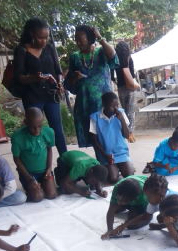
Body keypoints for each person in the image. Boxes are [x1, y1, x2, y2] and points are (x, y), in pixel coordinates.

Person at [14, 17, 67, 154]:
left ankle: (65, 159)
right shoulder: (21, 50)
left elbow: (58, 71)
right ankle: (37, 161)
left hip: (51, 95)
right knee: (34, 130)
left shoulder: (49, 48)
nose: (44, 41)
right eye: (40, 38)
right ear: (31, 34)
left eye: (46, 37)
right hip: (32, 97)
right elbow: (19, 77)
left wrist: (60, 82)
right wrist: (33, 78)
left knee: (57, 130)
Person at [65, 25, 118, 148]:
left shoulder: (101, 52)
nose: (78, 43)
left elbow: (113, 56)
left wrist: (100, 37)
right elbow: (69, 84)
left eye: (80, 39)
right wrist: (75, 77)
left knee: (108, 139)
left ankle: (108, 160)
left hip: (104, 105)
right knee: (95, 141)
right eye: (76, 39)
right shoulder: (75, 57)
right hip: (85, 105)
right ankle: (102, 160)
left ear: (89, 38)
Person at [11, 107, 58, 203]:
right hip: (28, 174)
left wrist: (49, 168)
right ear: (26, 122)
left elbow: (49, 149)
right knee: (37, 197)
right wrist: (29, 178)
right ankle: (34, 188)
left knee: (52, 195)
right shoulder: (17, 137)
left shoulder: (49, 132)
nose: (37, 130)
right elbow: (16, 159)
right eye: (33, 127)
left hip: (45, 171)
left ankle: (42, 186)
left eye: (40, 126)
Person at [90, 91, 135, 184]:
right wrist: (105, 154)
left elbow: (127, 135)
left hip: (121, 152)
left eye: (117, 105)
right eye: (112, 106)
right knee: (113, 178)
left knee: (129, 175)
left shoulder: (121, 113)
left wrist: (121, 119)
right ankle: (114, 168)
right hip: (107, 154)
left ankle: (122, 166)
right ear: (104, 105)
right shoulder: (95, 117)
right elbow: (94, 140)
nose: (116, 109)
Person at [102, 175, 150, 239]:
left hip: (141, 201)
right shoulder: (117, 188)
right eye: (118, 199)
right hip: (131, 196)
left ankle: (133, 208)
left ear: (134, 199)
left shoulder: (144, 195)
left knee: (133, 225)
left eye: (123, 201)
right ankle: (128, 206)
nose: (119, 203)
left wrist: (124, 225)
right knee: (115, 208)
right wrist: (109, 230)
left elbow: (145, 215)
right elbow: (111, 210)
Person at [115, 41, 139, 142]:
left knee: (124, 111)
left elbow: (113, 75)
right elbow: (132, 76)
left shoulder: (116, 60)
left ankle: (125, 132)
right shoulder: (129, 59)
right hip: (130, 88)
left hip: (120, 88)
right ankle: (130, 134)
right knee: (131, 111)